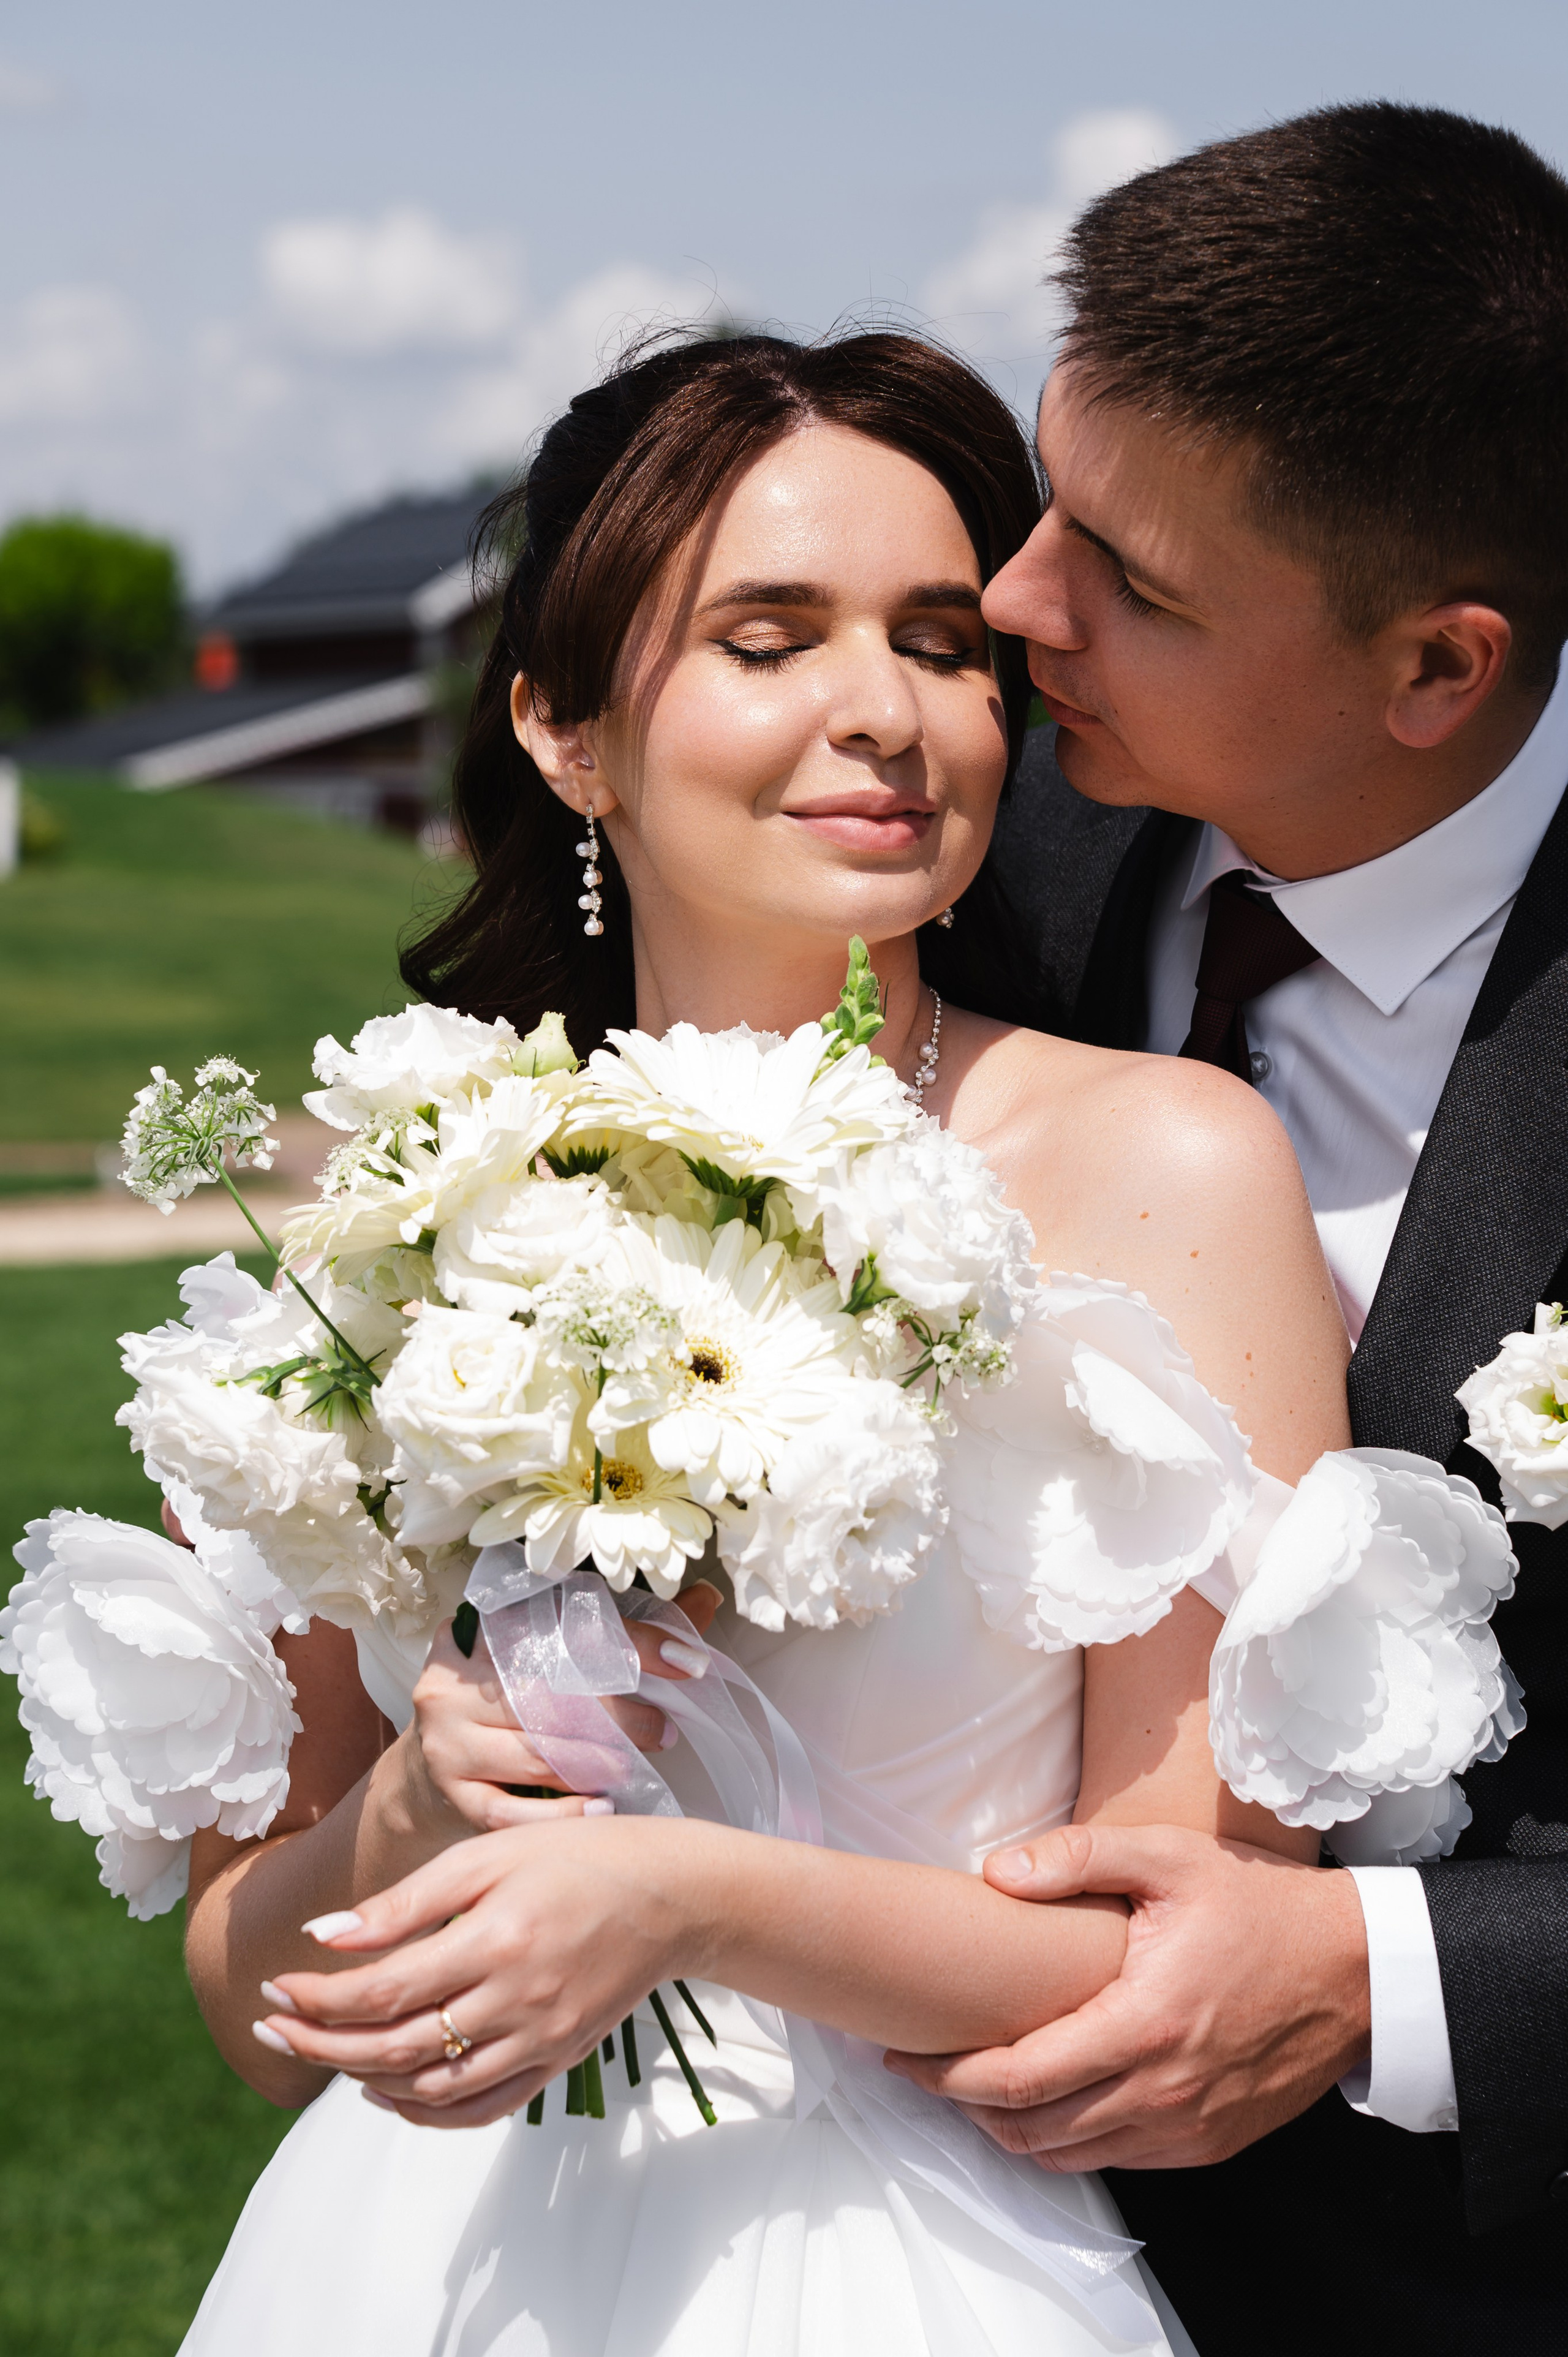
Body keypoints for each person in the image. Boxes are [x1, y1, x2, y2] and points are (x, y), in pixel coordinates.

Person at [178, 330, 1380, 2357]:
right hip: (405, 2273)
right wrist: (409, 1819)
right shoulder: (405, 1204)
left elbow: (1184, 1953)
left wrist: (690, 1902)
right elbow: (254, 2008)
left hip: (909, 2269)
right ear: (566, 730)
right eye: (769, 636)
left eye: (939, 638)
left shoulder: (1163, 1163)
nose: (885, 714)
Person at [887, 102, 1568, 2357]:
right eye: (1044, 507)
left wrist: (1395, 1975)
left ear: (1438, 671)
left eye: (1134, 583)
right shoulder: (998, 859)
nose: (1015, 607)